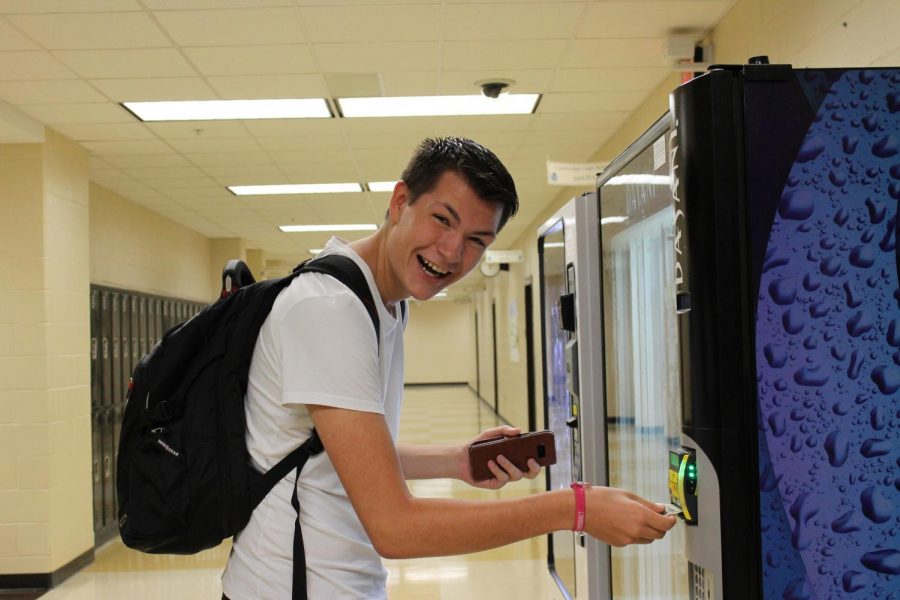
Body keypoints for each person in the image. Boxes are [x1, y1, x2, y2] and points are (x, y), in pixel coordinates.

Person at [221, 137, 676, 599]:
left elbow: (334, 456)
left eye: (477, 240)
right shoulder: (329, 309)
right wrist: (575, 509)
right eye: (443, 220)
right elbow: (395, 528)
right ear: (400, 202)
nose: (452, 251)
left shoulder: (383, 304)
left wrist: (456, 461)